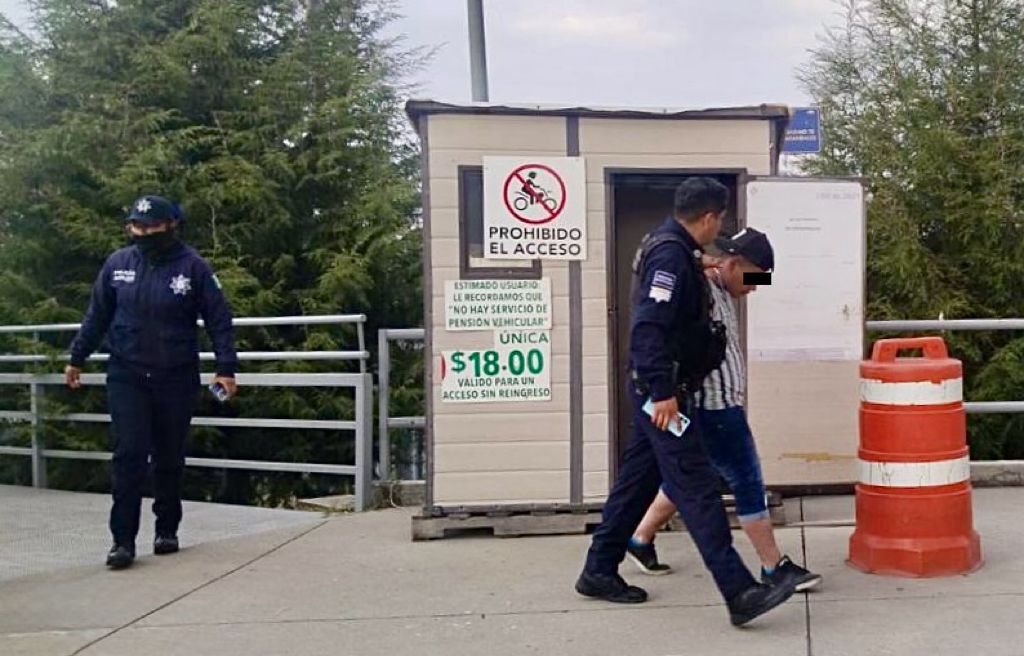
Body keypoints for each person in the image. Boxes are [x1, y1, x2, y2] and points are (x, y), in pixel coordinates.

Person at [574, 178, 795, 627]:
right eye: (721, 220)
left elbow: (731, 277)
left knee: (635, 484)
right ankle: (740, 592)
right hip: (663, 398)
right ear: (710, 217)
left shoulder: (678, 249)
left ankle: (598, 569)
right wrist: (662, 393)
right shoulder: (670, 256)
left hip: (662, 393)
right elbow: (647, 329)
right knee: (697, 491)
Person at [624, 228, 823, 593]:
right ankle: (772, 566)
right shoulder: (700, 288)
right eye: (752, 277)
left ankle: (640, 538)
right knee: (747, 480)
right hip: (715, 406)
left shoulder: (721, 289)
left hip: (715, 403)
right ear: (732, 264)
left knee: (683, 479)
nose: (754, 288)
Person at [64, 195, 239, 570]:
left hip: (175, 375)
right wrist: (77, 357)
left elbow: (219, 319)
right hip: (127, 374)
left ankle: (166, 529)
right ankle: (122, 541)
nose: (142, 233)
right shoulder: (118, 265)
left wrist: (226, 368)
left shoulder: (194, 268)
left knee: (168, 456)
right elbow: (97, 315)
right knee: (128, 454)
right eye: (136, 227)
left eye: (151, 227)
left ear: (171, 226)